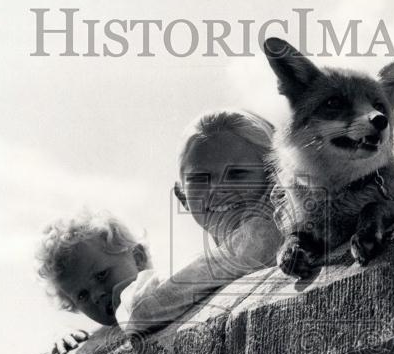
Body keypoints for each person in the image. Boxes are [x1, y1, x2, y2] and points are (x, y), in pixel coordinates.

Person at [118, 109, 283, 334]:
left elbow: (141, 309)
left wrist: (129, 294)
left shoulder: (269, 231)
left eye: (237, 174)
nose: (217, 189)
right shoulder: (231, 255)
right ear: (182, 196)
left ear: (275, 174)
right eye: (199, 179)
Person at [36, 209, 150, 354]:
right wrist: (64, 336)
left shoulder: (167, 287)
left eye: (102, 275)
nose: (96, 296)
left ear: (137, 258)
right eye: (82, 295)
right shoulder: (102, 334)